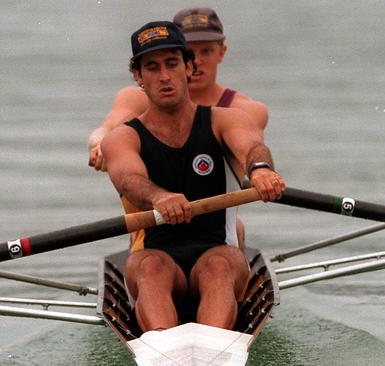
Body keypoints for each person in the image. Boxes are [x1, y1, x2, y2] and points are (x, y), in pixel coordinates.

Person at [100, 21, 285, 332]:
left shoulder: (224, 120)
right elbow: (129, 180)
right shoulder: (122, 138)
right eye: (152, 67)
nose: (164, 76)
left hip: (218, 251)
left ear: (188, 67)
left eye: (172, 64)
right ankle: (162, 348)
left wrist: (261, 170)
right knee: (150, 267)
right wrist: (159, 197)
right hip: (155, 254)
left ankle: (213, 347)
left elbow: (252, 147)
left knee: (218, 265)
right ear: (138, 77)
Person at [88, 7, 268, 247]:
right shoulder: (137, 99)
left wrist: (262, 171)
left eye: (207, 51)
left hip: (215, 231)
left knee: (235, 226)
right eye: (191, 51)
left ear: (221, 53)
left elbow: (247, 151)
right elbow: (106, 129)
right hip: (154, 230)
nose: (199, 60)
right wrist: (100, 144)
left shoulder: (244, 111)